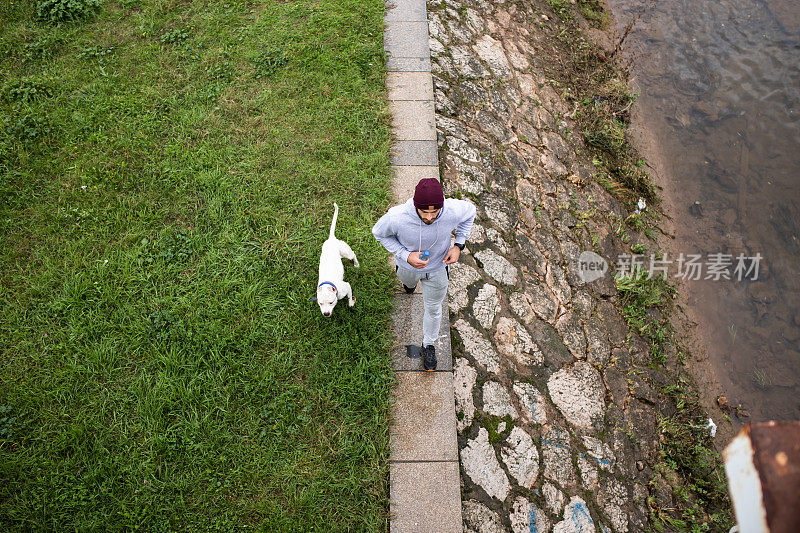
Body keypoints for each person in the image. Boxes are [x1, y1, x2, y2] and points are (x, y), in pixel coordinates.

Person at [372, 178, 476, 371]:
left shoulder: (453, 210)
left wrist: (459, 245)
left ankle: (428, 344)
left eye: (434, 212)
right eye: (424, 212)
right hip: (408, 267)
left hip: (437, 268)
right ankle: (409, 285)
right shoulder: (397, 216)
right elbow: (378, 233)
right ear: (415, 205)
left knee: (434, 308)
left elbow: (470, 213)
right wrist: (405, 255)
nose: (429, 217)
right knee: (408, 282)